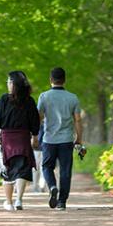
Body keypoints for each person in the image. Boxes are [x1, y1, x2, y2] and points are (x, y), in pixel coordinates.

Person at [0, 70, 40, 211]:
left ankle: (9, 202)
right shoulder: (30, 101)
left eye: (8, 81)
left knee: (8, 169)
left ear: (13, 84)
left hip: (7, 138)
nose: (7, 84)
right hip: (23, 138)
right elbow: (35, 122)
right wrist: (35, 137)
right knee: (22, 169)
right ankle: (19, 199)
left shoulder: (4, 99)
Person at [37, 66, 82, 210]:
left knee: (46, 167)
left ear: (50, 80)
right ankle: (62, 202)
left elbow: (39, 117)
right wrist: (79, 139)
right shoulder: (73, 97)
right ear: (64, 80)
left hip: (49, 139)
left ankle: (52, 186)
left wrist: (34, 135)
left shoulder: (44, 96)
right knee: (65, 170)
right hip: (66, 140)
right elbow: (78, 120)